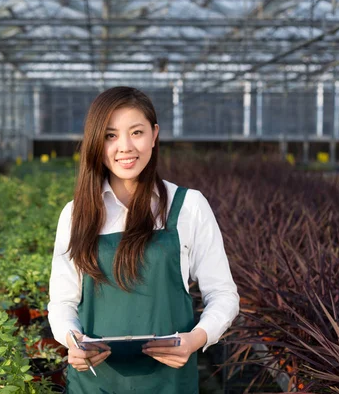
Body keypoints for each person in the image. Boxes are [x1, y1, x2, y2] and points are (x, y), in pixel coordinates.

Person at [48, 86, 239, 394]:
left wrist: (197, 338)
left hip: (169, 382)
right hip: (96, 383)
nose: (125, 146)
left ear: (154, 135)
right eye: (111, 135)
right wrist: (74, 340)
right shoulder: (76, 214)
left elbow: (223, 294)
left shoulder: (188, 206)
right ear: (96, 142)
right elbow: (62, 302)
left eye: (136, 132)